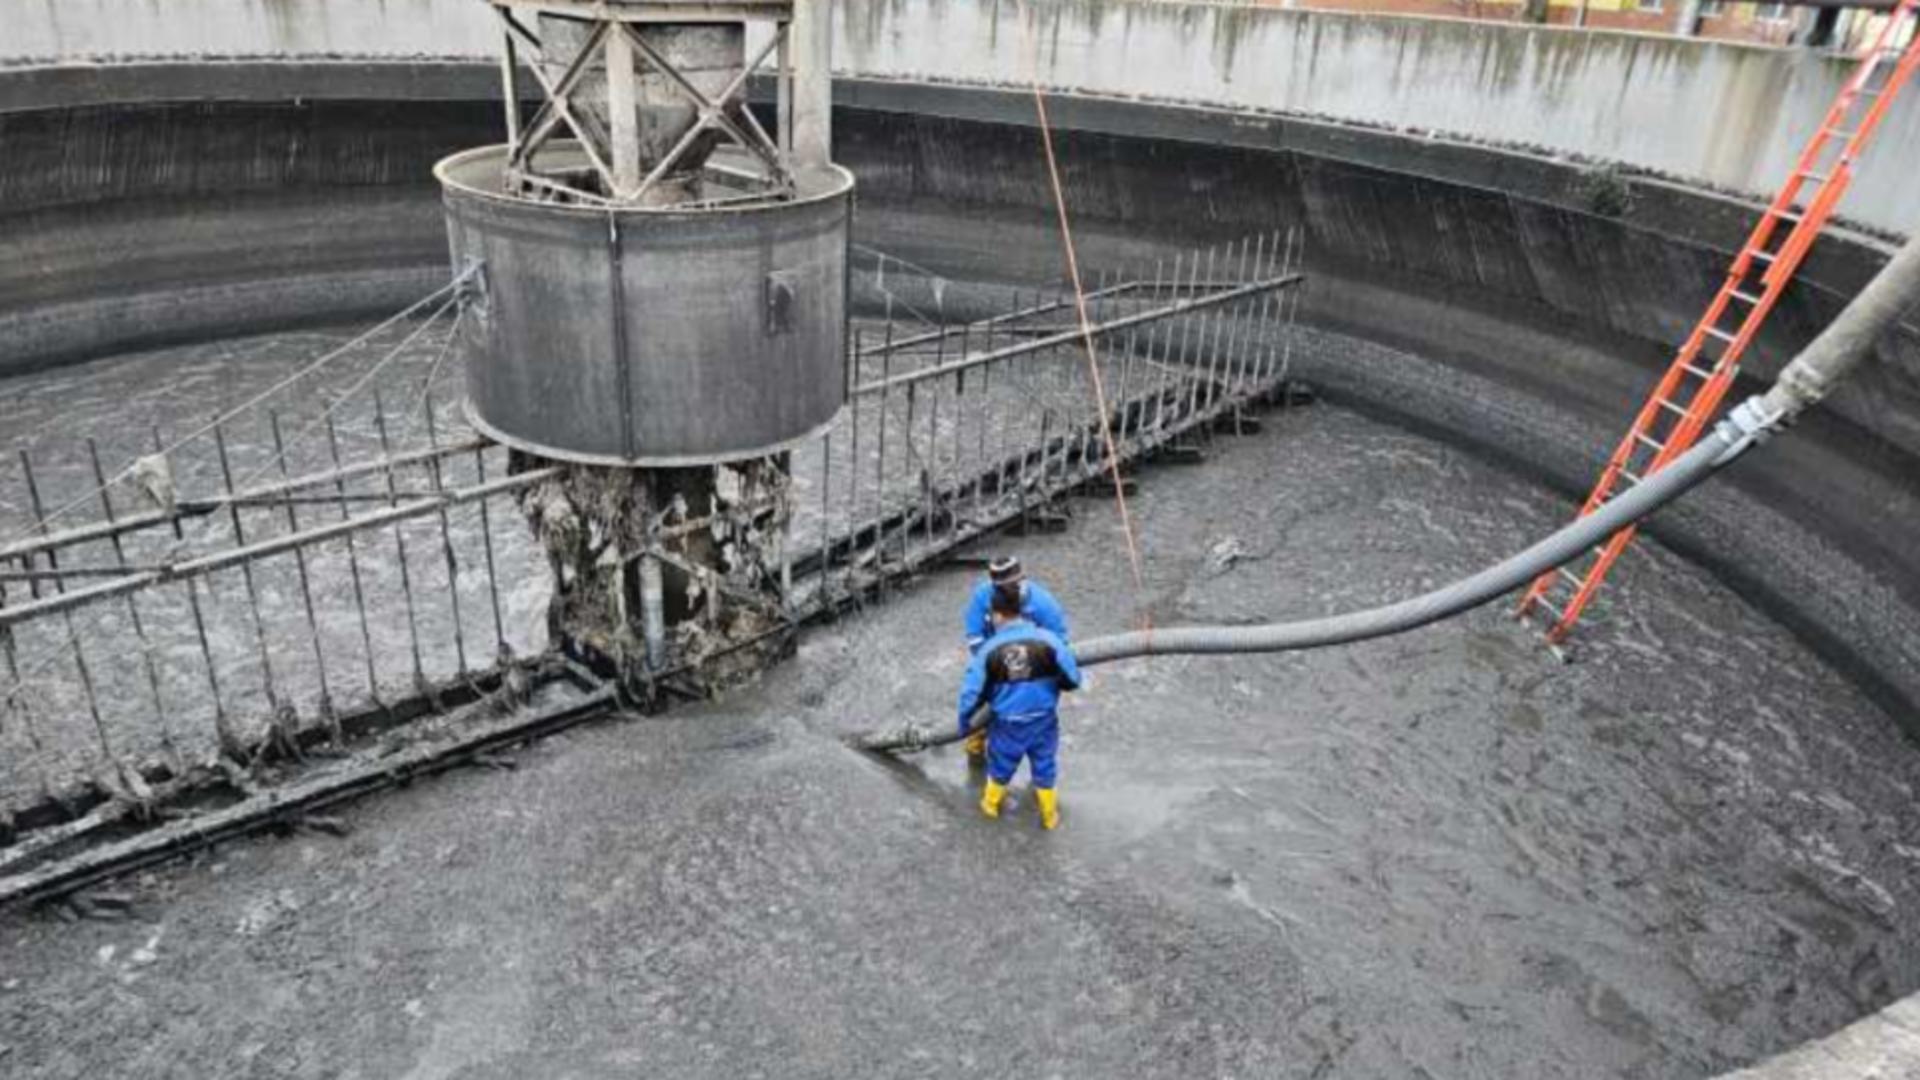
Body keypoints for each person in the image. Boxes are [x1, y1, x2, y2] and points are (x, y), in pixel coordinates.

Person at [955, 587, 1082, 830]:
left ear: (997, 615)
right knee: (1045, 768)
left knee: (1000, 768)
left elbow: (970, 695)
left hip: (1008, 724)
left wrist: (964, 724)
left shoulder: (989, 650)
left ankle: (989, 810)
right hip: (1043, 722)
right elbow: (1073, 680)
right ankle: (1050, 817)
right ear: (1023, 610)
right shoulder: (1049, 640)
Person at [960, 555, 1069, 763]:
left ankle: (1038, 766)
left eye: (1011, 587)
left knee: (1036, 722)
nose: (1007, 595)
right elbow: (975, 638)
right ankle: (975, 752)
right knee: (980, 712)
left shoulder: (1043, 604)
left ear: (1022, 581)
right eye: (1001, 590)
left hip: (1034, 672)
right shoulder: (982, 598)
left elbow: (1060, 644)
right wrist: (994, 669)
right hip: (995, 666)